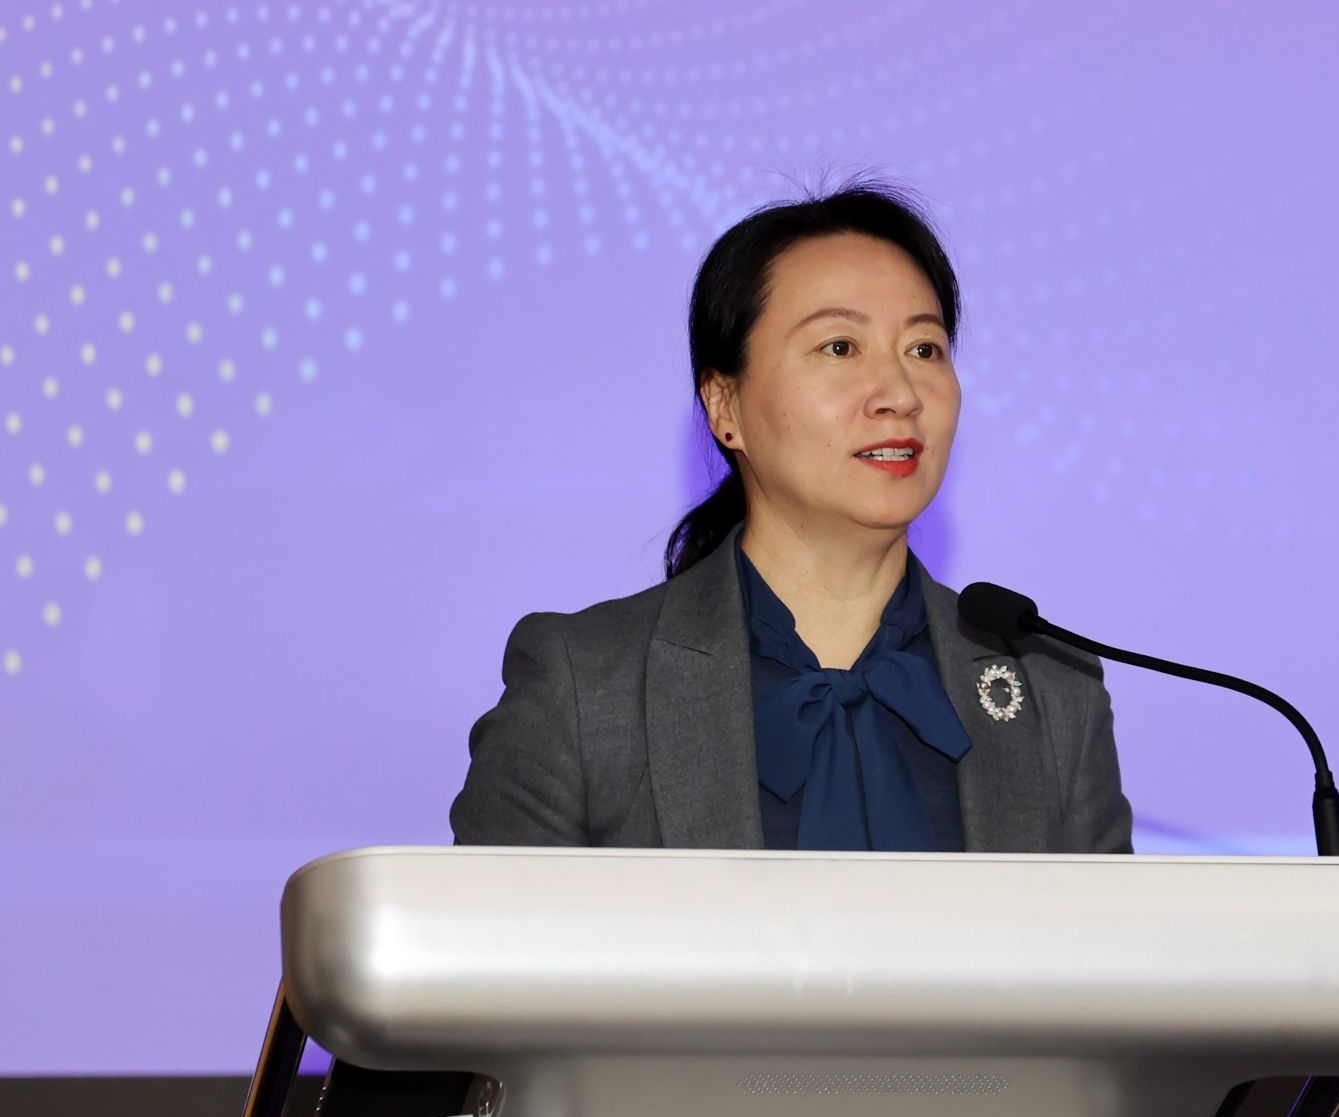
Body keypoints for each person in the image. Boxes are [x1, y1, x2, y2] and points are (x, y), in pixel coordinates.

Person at [450, 182, 1134, 854]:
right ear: (725, 406)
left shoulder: (1055, 695)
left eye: (924, 349)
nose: (900, 394)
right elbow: (490, 932)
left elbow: (1110, 935)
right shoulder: (584, 687)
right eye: (840, 347)